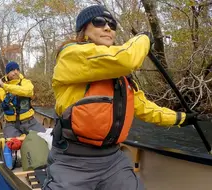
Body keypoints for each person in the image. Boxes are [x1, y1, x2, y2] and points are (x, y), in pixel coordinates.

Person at [42, 5, 198, 190]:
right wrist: (143, 39)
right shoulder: (71, 55)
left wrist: (180, 118)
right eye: (99, 22)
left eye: (112, 24)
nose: (107, 28)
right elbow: (127, 59)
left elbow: (143, 107)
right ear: (83, 30)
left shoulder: (119, 74)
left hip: (112, 159)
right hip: (73, 160)